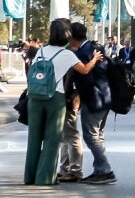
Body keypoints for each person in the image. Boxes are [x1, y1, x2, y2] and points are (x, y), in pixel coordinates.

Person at [23, 19, 100, 186]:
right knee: (52, 138)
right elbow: (85, 70)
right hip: (55, 98)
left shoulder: (41, 51)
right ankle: (44, 178)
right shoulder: (66, 54)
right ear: (67, 35)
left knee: (34, 138)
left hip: (34, 98)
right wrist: (94, 59)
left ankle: (29, 176)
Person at [70, 22, 118, 185]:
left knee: (90, 136)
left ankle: (105, 170)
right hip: (106, 96)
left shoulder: (83, 53)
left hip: (94, 98)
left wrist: (79, 98)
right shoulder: (95, 47)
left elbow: (84, 76)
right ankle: (99, 169)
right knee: (98, 135)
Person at [57, 22, 92, 182]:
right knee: (66, 135)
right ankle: (65, 168)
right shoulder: (71, 52)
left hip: (68, 97)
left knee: (70, 134)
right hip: (69, 96)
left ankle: (74, 170)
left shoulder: (69, 53)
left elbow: (82, 72)